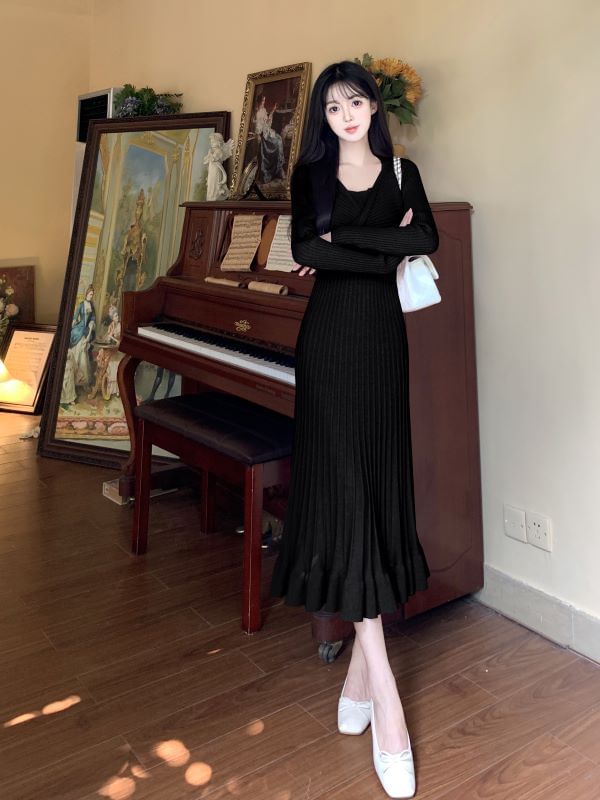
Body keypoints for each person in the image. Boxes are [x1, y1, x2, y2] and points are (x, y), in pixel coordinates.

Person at [269, 60, 439, 798]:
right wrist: (383, 247)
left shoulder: (403, 173)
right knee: (344, 486)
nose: (346, 115)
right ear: (323, 115)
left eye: (356, 102)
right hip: (330, 343)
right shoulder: (310, 176)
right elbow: (307, 252)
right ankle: (387, 702)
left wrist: (350, 243)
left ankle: (360, 680)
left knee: (375, 479)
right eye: (333, 106)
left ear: (374, 107)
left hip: (382, 344)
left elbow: (428, 236)